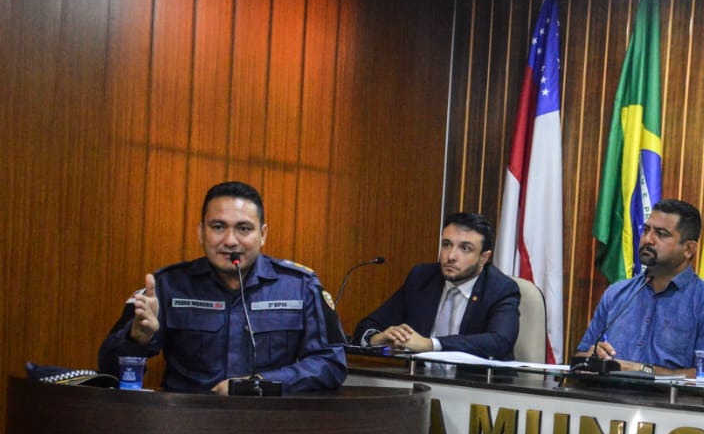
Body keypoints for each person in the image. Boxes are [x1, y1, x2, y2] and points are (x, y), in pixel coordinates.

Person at [99, 182, 347, 394]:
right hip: (186, 422)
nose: (230, 241)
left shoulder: (299, 286)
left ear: (263, 234)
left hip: (269, 421)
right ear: (201, 232)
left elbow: (331, 364)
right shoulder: (167, 285)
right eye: (218, 227)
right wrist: (136, 338)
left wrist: (256, 385)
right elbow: (107, 369)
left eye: (243, 228)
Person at [577, 199, 704, 379]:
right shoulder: (617, 294)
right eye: (646, 230)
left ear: (688, 249)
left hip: (669, 397)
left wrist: (641, 370)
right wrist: (592, 357)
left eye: (661, 234)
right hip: (604, 395)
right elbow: (580, 357)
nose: (647, 239)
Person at [352, 212, 520, 360]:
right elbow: (369, 324)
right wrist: (376, 339)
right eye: (446, 244)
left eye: (465, 248)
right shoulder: (422, 278)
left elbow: (499, 341)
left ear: (484, 258)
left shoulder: (501, 289)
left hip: (476, 383)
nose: (451, 256)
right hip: (420, 380)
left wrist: (431, 344)